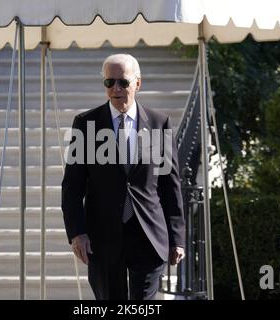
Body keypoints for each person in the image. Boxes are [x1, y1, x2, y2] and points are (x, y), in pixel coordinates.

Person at [62, 53, 185, 300]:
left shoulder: (159, 123)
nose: (116, 88)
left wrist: (177, 237)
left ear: (137, 83)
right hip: (103, 237)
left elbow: (169, 183)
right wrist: (77, 232)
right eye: (110, 83)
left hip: (148, 234)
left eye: (123, 82)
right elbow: (73, 186)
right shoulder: (86, 123)